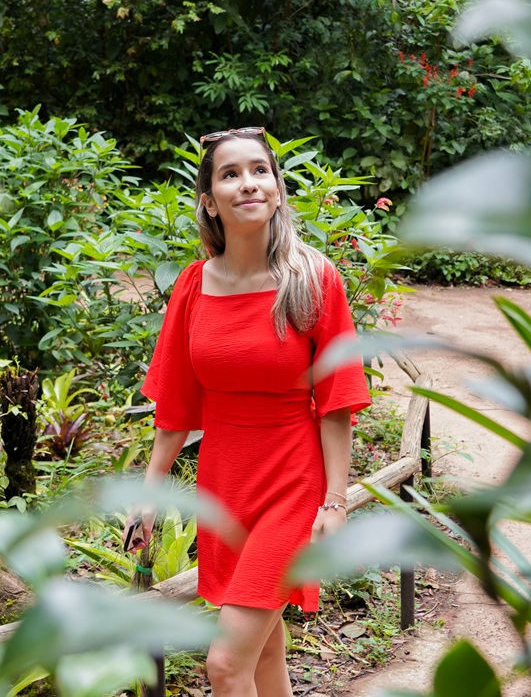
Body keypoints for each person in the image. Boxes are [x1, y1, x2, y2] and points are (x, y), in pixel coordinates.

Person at [124, 126, 371, 697]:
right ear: (209, 200)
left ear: (279, 189)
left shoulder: (312, 280)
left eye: (260, 171)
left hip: (291, 482)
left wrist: (336, 500)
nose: (248, 184)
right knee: (262, 659)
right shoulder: (192, 286)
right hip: (224, 487)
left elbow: (336, 402)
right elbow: (178, 404)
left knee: (226, 664)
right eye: (229, 174)